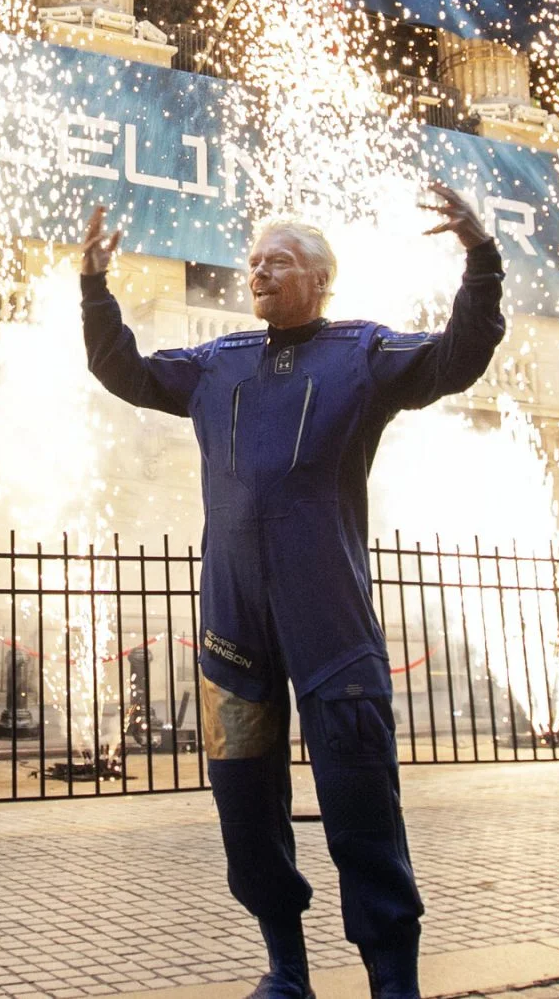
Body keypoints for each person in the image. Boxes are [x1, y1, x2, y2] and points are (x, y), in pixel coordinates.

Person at [79, 183, 505, 999]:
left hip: (331, 620)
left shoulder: (364, 353)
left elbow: (460, 354)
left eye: (278, 261)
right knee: (246, 812)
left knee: (361, 807)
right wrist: (95, 289)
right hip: (233, 619)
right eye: (254, 263)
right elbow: (121, 368)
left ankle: (393, 981)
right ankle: (287, 971)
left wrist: (480, 261)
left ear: (319, 275)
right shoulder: (218, 363)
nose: (259, 273)